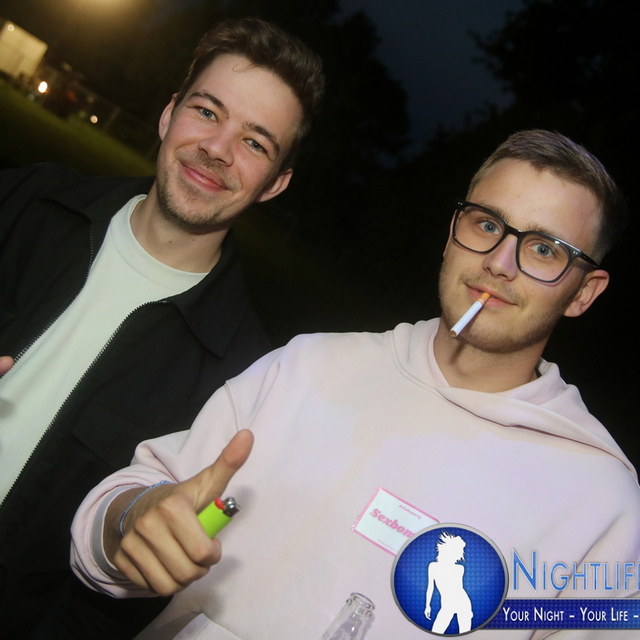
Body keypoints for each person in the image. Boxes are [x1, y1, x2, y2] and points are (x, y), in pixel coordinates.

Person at [71, 130, 640, 639]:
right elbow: (134, 503)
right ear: (452, 233)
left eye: (544, 249)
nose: (499, 262)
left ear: (584, 293)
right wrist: (133, 519)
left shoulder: (600, 500)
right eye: (487, 225)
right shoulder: (310, 366)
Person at [0, 17, 324, 639]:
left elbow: (121, 597)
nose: (218, 149)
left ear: (276, 184)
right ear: (169, 114)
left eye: (255, 143)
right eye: (207, 112)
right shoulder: (23, 204)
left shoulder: (240, 380)